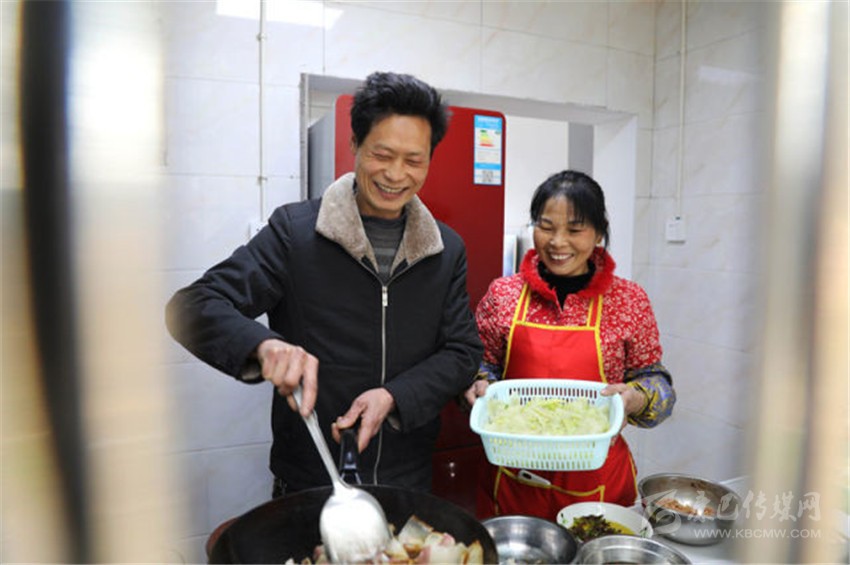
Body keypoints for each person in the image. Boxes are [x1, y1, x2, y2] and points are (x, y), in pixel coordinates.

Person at [166, 71, 483, 497]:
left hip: (406, 480)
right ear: (355, 144)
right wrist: (263, 346)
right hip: (310, 481)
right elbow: (194, 305)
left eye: (413, 160)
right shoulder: (295, 233)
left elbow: (462, 352)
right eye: (382, 154)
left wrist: (395, 396)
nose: (395, 174)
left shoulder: (445, 249)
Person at [464, 169, 676, 520]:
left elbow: (659, 385)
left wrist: (636, 397)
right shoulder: (504, 294)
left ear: (599, 233)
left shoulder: (628, 300)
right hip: (513, 480)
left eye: (575, 230)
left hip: (598, 485)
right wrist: (478, 385)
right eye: (546, 226)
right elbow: (480, 365)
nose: (557, 242)